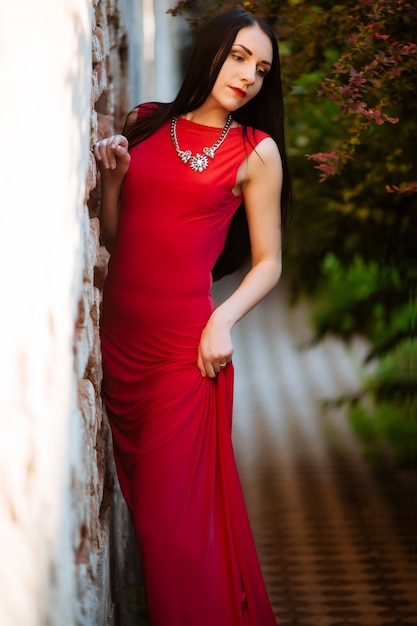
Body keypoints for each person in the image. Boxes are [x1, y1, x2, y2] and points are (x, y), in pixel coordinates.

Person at [93, 7, 292, 626]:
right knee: (159, 523)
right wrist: (114, 182)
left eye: (261, 68)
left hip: (186, 354)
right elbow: (124, 240)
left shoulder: (256, 153)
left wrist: (222, 321)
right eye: (238, 57)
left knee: (168, 531)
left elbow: (268, 264)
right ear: (209, 51)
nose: (249, 76)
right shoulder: (148, 124)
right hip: (121, 345)